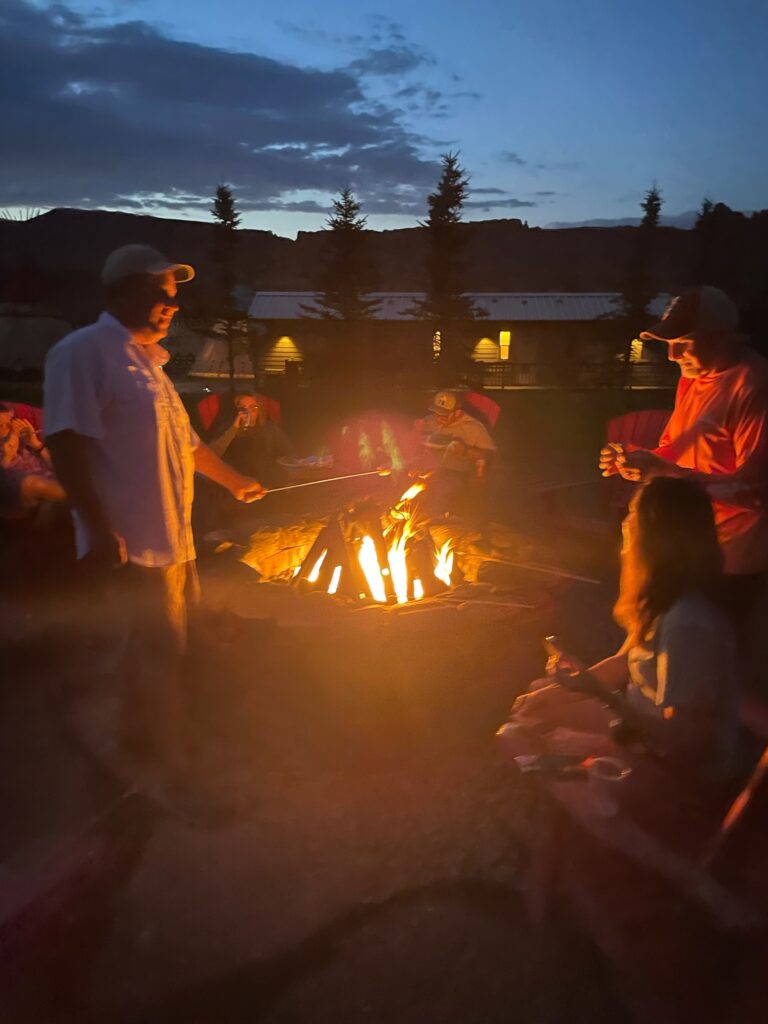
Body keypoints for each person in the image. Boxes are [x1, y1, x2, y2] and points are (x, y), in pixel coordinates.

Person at [43, 244, 265, 806]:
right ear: (121, 291)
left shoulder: (152, 366)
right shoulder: (85, 352)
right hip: (133, 545)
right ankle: (171, 778)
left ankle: (135, 748)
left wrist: (236, 481)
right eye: (159, 295)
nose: (171, 307)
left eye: (174, 299)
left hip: (175, 541)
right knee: (157, 658)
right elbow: (65, 442)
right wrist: (99, 528)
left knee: (165, 654)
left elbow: (188, 447)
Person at [505, 478, 740, 788]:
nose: (625, 524)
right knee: (539, 698)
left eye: (633, 515)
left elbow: (679, 742)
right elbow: (622, 663)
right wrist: (552, 692)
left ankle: (601, 809)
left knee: (515, 736)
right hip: (639, 722)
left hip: (670, 767)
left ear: (657, 539)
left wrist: (599, 695)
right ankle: (564, 778)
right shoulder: (665, 598)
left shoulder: (686, 623)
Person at [599, 287, 768, 591]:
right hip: (687, 550)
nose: (673, 355)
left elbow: (756, 492)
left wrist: (667, 474)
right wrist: (636, 457)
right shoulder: (693, 379)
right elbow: (676, 449)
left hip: (730, 562)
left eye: (683, 343)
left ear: (721, 336)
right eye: (669, 344)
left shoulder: (753, 387)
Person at [412, 390, 496, 520]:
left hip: (458, 474)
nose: (438, 418)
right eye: (436, 412)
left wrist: (466, 451)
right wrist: (416, 431)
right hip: (429, 470)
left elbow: (490, 456)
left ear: (457, 412)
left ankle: (434, 522)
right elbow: (415, 444)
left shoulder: (473, 428)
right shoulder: (428, 421)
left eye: (444, 415)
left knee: (443, 487)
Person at [209, 391, 292, 487]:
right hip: (237, 484)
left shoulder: (269, 428)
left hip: (265, 483)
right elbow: (213, 454)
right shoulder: (227, 428)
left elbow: (288, 451)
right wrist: (234, 429)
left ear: (259, 409)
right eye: (243, 408)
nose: (248, 412)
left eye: (253, 407)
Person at [0, 402, 66, 513]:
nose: (5, 430)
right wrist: (8, 456)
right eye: (1, 426)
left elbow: (59, 466)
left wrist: (35, 444)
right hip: (28, 490)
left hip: (53, 479)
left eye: (8, 424)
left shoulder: (22, 440)